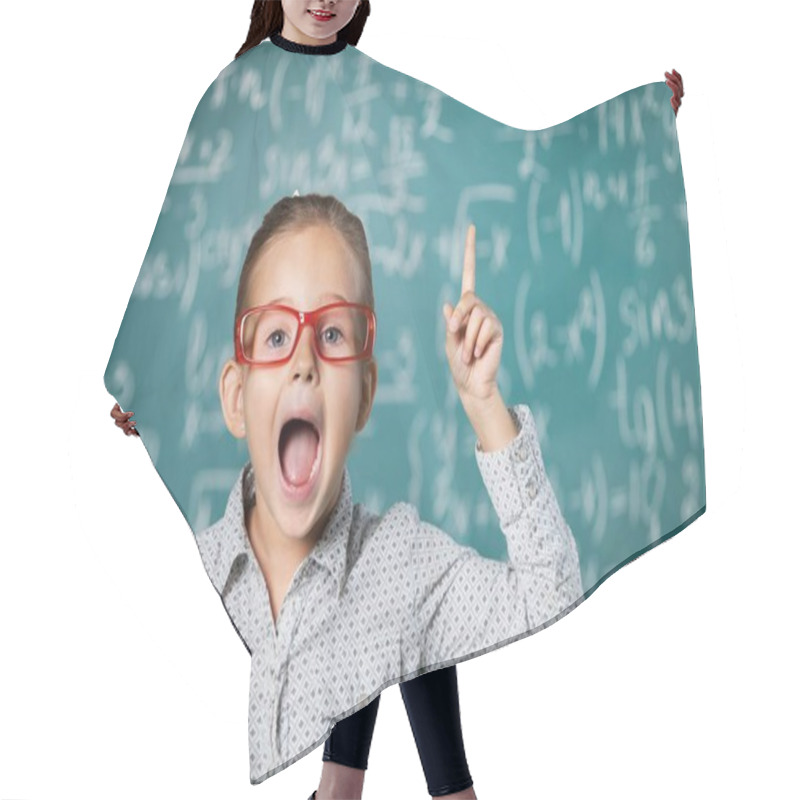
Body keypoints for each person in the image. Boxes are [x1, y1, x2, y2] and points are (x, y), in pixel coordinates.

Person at [108, 4, 682, 797]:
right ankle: (409, 789)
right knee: (359, 571)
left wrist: (631, 138)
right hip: (295, 377)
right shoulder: (237, 96)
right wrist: (150, 375)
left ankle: (366, 787)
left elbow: (494, 161)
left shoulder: (379, 91)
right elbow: (195, 246)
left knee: (395, 572)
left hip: (379, 373)